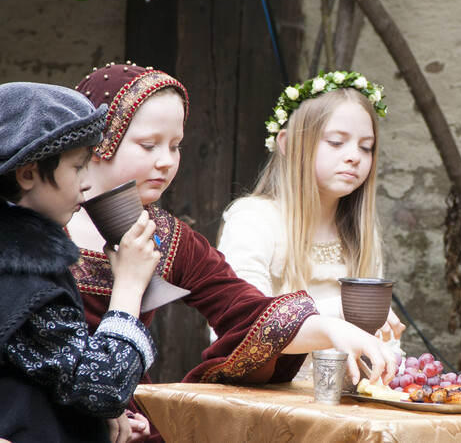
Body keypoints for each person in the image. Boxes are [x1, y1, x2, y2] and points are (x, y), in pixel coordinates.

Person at [67, 62, 398, 442]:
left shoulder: (170, 237)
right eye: (148, 145)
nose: (166, 161)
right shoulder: (37, 228)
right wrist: (102, 413)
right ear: (99, 139)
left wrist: (331, 327)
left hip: (129, 418)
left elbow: (243, 308)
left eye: (175, 146)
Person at [217, 70, 405, 380]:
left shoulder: (361, 236)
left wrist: (392, 365)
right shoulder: (254, 221)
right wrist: (345, 312)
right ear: (289, 144)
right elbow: (239, 328)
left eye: (366, 147)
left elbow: (383, 341)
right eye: (336, 142)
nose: (354, 157)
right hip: (266, 405)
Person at [0, 82, 160, 442]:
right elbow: (103, 384)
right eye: (78, 167)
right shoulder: (21, 273)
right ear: (27, 173)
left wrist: (91, 419)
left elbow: (49, 373)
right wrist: (129, 285)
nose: (87, 184)